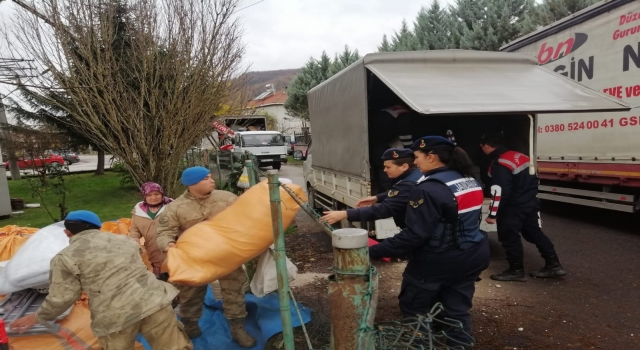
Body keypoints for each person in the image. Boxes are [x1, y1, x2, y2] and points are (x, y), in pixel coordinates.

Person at [369, 136, 490, 348]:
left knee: (413, 306)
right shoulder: (468, 179)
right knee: (456, 308)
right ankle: (459, 344)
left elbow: (414, 235)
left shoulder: (428, 188)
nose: (415, 162)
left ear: (431, 157)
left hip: (438, 260)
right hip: (472, 253)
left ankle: (420, 344)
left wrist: (373, 250)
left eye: (417, 157)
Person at [9, 210, 192, 350]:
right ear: (98, 227)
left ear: (67, 232)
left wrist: (38, 316)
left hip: (115, 315)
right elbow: (138, 254)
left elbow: (63, 297)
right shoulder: (125, 241)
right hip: (155, 302)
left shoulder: (64, 258)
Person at [156, 166, 255, 347]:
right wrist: (168, 246)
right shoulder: (175, 208)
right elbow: (163, 232)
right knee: (190, 294)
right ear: (193, 184)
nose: (212, 180)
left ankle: (237, 328)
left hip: (226, 254)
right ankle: (191, 326)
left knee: (234, 292)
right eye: (206, 178)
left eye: (211, 176)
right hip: (195, 259)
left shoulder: (226, 198)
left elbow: (245, 215)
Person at [480, 132, 566, 281]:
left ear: (487, 146)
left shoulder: (500, 163)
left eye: (481, 147)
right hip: (529, 202)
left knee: (509, 237)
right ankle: (554, 265)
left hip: (513, 207)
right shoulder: (521, 156)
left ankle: (516, 270)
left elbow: (500, 192)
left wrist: (493, 215)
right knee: (535, 233)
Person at [321, 148, 421, 228]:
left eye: (388, 167)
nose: (385, 170)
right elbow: (399, 194)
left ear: (404, 166)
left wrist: (345, 214)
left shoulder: (408, 184)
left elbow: (384, 209)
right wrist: (377, 198)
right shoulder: (414, 175)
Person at [369, 103, 416, 192]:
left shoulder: (393, 110)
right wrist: (410, 151)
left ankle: (384, 189)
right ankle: (388, 190)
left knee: (382, 166)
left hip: (375, 140)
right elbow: (405, 135)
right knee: (387, 165)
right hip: (381, 142)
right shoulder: (404, 115)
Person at [129, 182, 173, 277]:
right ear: (144, 196)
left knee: (176, 280)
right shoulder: (138, 211)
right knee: (158, 281)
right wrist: (135, 237)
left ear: (162, 194)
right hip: (152, 252)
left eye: (157, 194)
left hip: (172, 250)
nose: (153, 197)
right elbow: (134, 228)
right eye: (149, 195)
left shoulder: (173, 207)